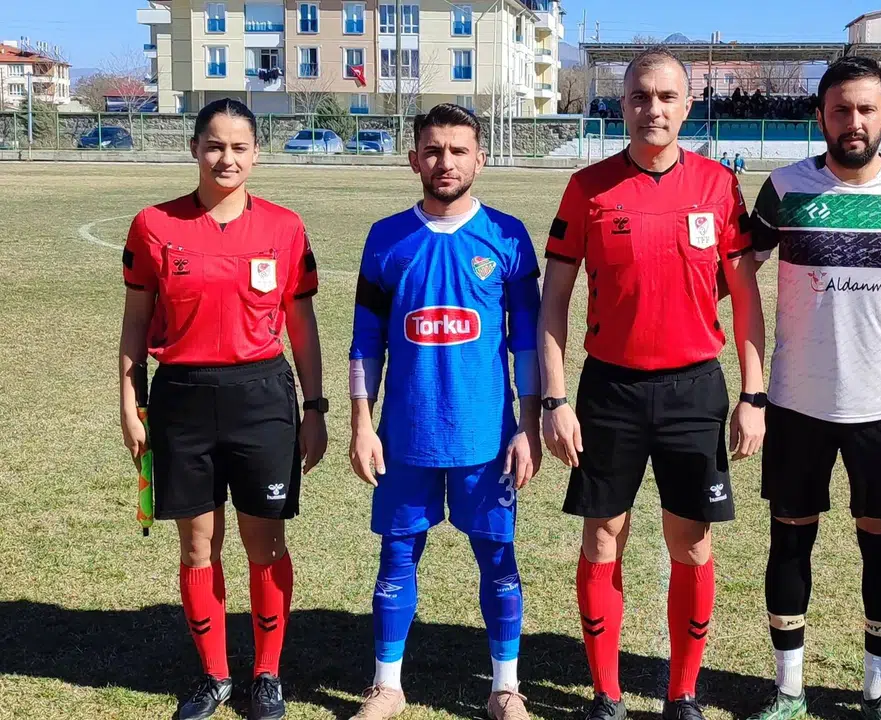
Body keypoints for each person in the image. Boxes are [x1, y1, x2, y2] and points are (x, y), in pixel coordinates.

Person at [540, 47, 768, 720]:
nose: (653, 109)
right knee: (602, 537)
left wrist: (753, 396)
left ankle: (682, 693)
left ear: (688, 105)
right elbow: (554, 301)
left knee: (691, 542)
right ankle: (606, 694)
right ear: (622, 104)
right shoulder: (587, 188)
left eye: (667, 96)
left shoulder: (719, 187)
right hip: (609, 390)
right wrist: (555, 398)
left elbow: (747, 299)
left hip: (694, 391)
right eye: (640, 96)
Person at [744, 56, 881, 720]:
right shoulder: (784, 189)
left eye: (867, 109)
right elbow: (734, 272)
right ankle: (788, 691)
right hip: (797, 402)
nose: (854, 121)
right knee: (790, 539)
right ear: (821, 116)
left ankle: (876, 691)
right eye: (841, 110)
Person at [119, 98, 328, 720]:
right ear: (194, 149)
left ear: (256, 153)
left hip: (261, 398)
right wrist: (130, 401)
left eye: (239, 147)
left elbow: (302, 326)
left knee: (265, 542)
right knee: (197, 546)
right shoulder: (153, 224)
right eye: (214, 145)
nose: (225, 158)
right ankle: (214, 676)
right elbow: (134, 324)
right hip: (181, 398)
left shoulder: (285, 228)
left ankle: (266, 675)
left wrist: (314, 408)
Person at [347, 104, 543, 720]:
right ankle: (387, 686)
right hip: (406, 435)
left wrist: (529, 426)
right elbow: (365, 341)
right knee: (397, 553)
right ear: (414, 159)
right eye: (433, 150)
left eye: (458, 150)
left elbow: (527, 341)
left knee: (498, 556)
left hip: (487, 436)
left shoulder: (507, 237)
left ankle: (505, 688)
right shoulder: (386, 238)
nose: (446, 162)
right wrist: (361, 424)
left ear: (480, 158)